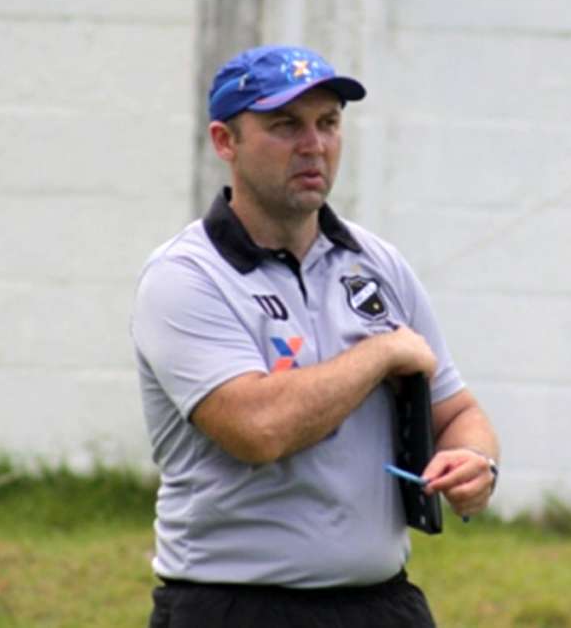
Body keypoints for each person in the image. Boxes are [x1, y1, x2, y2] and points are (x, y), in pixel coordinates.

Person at [131, 44, 499, 628]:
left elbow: (458, 410)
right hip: (233, 607)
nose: (314, 145)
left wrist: (475, 459)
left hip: (381, 603)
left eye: (328, 123)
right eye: (285, 126)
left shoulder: (379, 263)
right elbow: (258, 429)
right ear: (226, 142)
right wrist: (381, 352)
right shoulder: (185, 276)